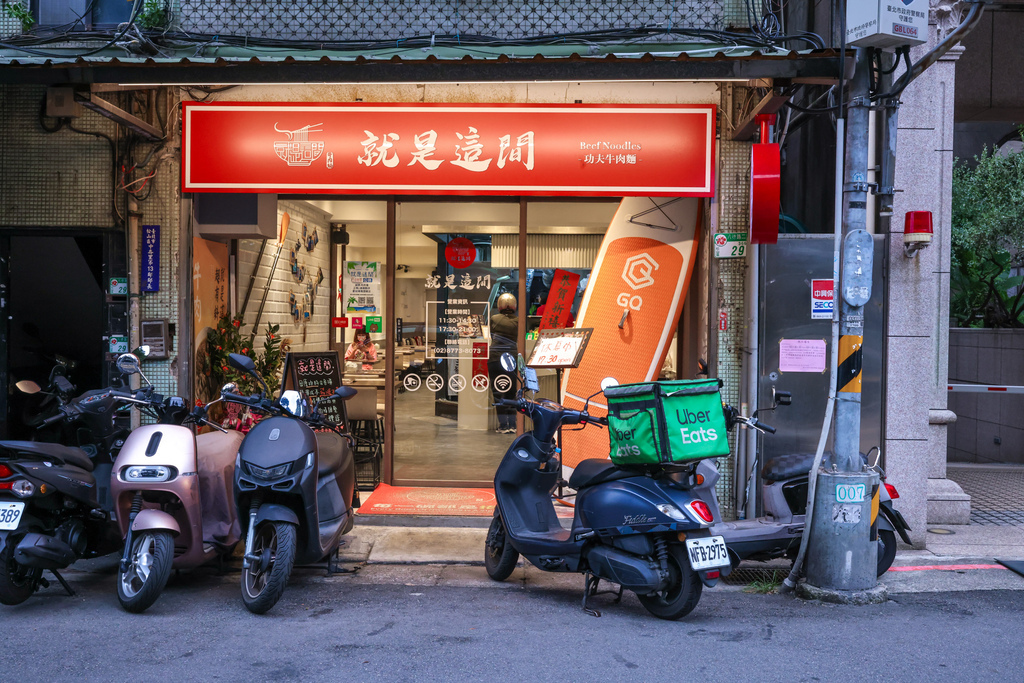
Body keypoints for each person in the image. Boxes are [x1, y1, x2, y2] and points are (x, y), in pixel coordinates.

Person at [489, 292, 519, 434]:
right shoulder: (518, 321)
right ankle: (513, 424)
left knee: (497, 391)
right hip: (511, 358)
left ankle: (503, 425)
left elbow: (491, 335)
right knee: (512, 391)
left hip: (495, 357)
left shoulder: (494, 318)